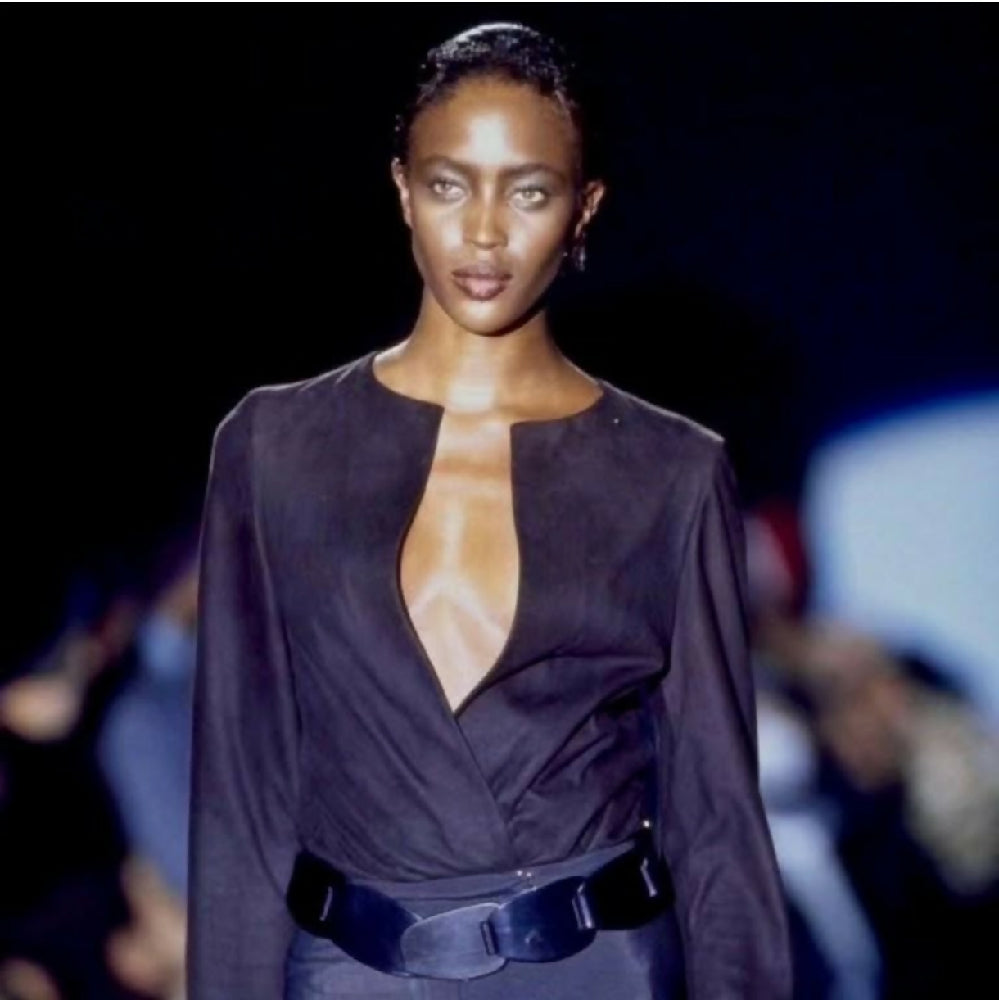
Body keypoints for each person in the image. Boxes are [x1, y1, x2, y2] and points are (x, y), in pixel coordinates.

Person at [187, 21, 792, 1000]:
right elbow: (239, 795)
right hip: (350, 974)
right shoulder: (272, 446)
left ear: (584, 208)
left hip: (595, 973)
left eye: (529, 192)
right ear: (402, 190)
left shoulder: (669, 471)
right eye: (448, 184)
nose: (482, 232)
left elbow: (716, 815)